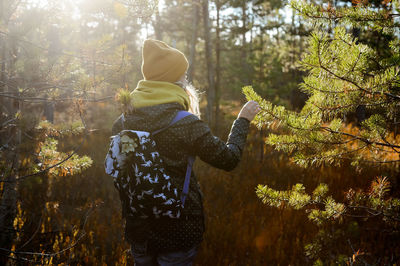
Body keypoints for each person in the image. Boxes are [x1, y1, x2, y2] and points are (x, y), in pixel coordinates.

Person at [111, 39, 260, 266]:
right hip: (179, 231)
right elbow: (229, 159)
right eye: (183, 74)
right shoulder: (186, 123)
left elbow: (120, 172)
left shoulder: (122, 122)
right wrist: (242, 120)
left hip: (138, 229)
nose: (185, 79)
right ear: (174, 79)